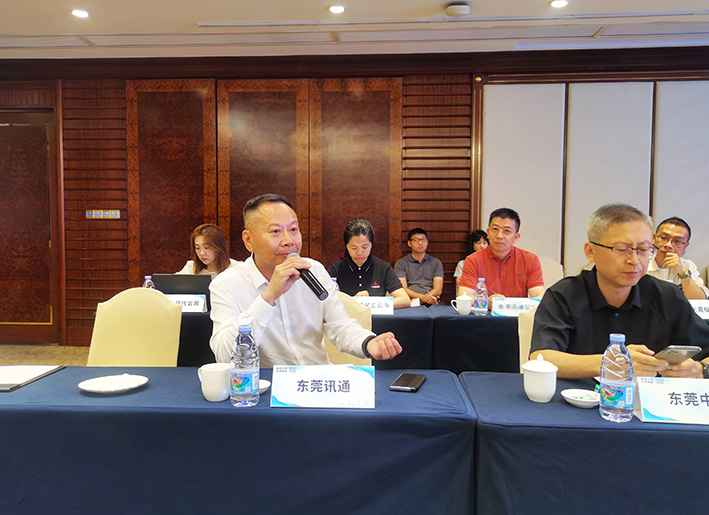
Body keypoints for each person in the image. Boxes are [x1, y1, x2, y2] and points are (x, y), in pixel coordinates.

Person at [209, 194, 402, 366]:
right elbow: (224, 355)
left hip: (315, 382)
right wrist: (268, 297)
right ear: (248, 240)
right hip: (266, 387)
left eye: (293, 229)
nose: (289, 241)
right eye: (275, 231)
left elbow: (339, 325)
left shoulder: (313, 270)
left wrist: (369, 343)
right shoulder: (225, 285)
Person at [530, 203, 709, 379]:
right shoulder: (564, 294)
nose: (635, 260)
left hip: (649, 397)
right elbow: (542, 357)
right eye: (622, 249)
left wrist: (700, 369)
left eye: (643, 250)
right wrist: (612, 363)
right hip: (579, 396)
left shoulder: (667, 296)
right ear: (591, 251)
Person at [459, 208, 544, 302]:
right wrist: (485, 301)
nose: (499, 236)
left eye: (507, 231)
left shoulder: (530, 260)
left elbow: (538, 295)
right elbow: (464, 296)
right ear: (488, 233)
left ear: (516, 237)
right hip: (485, 310)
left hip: (517, 311)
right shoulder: (473, 260)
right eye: (495, 229)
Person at [328, 219, 411, 309]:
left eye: (365, 247)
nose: (359, 252)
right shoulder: (336, 269)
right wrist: (354, 302)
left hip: (376, 317)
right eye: (354, 248)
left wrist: (370, 303)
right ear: (346, 246)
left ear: (371, 245)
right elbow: (326, 301)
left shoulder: (382, 268)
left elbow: (404, 300)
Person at [646, 216, 709, 300]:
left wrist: (683, 274)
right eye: (664, 238)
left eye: (677, 241)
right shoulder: (640, 263)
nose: (668, 245)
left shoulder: (687, 266)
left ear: (685, 246)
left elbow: (699, 300)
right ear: (654, 239)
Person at [394, 228, 444, 305]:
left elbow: (438, 289)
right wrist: (422, 298)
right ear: (409, 243)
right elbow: (403, 288)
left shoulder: (436, 263)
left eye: (423, 239)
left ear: (427, 242)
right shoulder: (401, 263)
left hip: (431, 301)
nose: (420, 243)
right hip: (410, 301)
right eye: (415, 240)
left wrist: (425, 298)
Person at [454, 230, 489, 296]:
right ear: (472, 244)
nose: (482, 246)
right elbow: (460, 287)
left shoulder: (491, 263)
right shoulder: (462, 264)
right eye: (478, 243)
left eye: (485, 243)